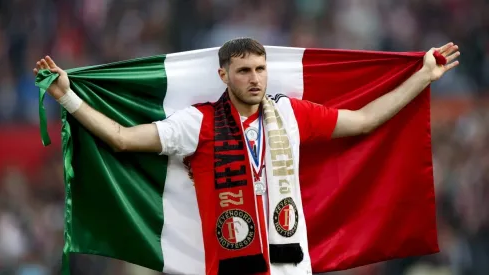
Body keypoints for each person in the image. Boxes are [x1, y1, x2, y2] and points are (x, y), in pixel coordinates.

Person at [33, 38, 460, 275]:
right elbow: (124, 139)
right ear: (223, 75)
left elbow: (364, 120)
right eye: (243, 71)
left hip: (293, 268)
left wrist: (423, 76)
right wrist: (67, 97)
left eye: (260, 69)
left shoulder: (292, 114)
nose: (254, 79)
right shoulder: (196, 123)